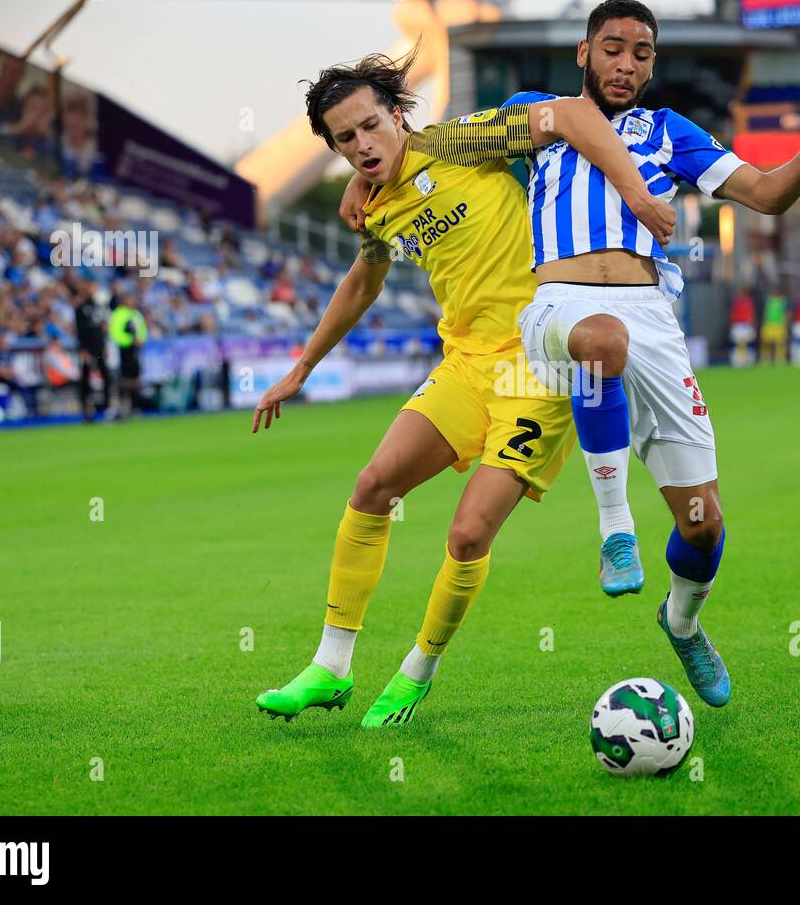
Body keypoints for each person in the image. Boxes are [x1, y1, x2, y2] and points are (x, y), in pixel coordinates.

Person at [251, 48, 674, 728]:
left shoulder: (462, 141)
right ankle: (331, 666)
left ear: (397, 114)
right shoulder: (377, 206)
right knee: (372, 486)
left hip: (539, 365)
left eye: (370, 125)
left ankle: (417, 670)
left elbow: (570, 114)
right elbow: (363, 282)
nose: (363, 145)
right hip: (468, 365)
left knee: (470, 533)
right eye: (346, 138)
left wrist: (637, 195)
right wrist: (301, 368)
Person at [500, 0, 800, 707]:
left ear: (651, 66)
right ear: (584, 52)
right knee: (601, 341)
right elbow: (446, 150)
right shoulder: (535, 114)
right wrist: (369, 176)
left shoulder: (668, 132)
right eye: (612, 48)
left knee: (704, 525)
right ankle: (615, 529)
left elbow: (766, 194)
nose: (624, 64)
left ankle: (681, 621)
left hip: (651, 316)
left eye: (640, 54)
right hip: (559, 304)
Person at [74, 279, 110, 421]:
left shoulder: (99, 306)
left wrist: (105, 345)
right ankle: (86, 410)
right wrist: (83, 350)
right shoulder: (81, 308)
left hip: (99, 347)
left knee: (106, 376)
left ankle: (106, 407)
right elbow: (80, 331)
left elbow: (102, 329)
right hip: (88, 348)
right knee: (86, 377)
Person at [108, 294, 147, 418]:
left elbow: (142, 330)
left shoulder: (136, 314)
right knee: (125, 379)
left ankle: (135, 407)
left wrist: (141, 340)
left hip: (135, 351)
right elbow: (115, 333)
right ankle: (123, 406)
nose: (132, 302)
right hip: (123, 350)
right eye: (129, 299)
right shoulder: (118, 314)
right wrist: (130, 340)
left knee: (135, 378)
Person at [761, 289, 788, 365]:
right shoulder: (768, 301)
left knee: (780, 343)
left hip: (779, 324)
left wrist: (785, 323)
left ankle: (780, 359)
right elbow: (765, 313)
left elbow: (785, 313)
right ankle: (766, 359)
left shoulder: (782, 301)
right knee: (767, 343)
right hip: (769, 324)